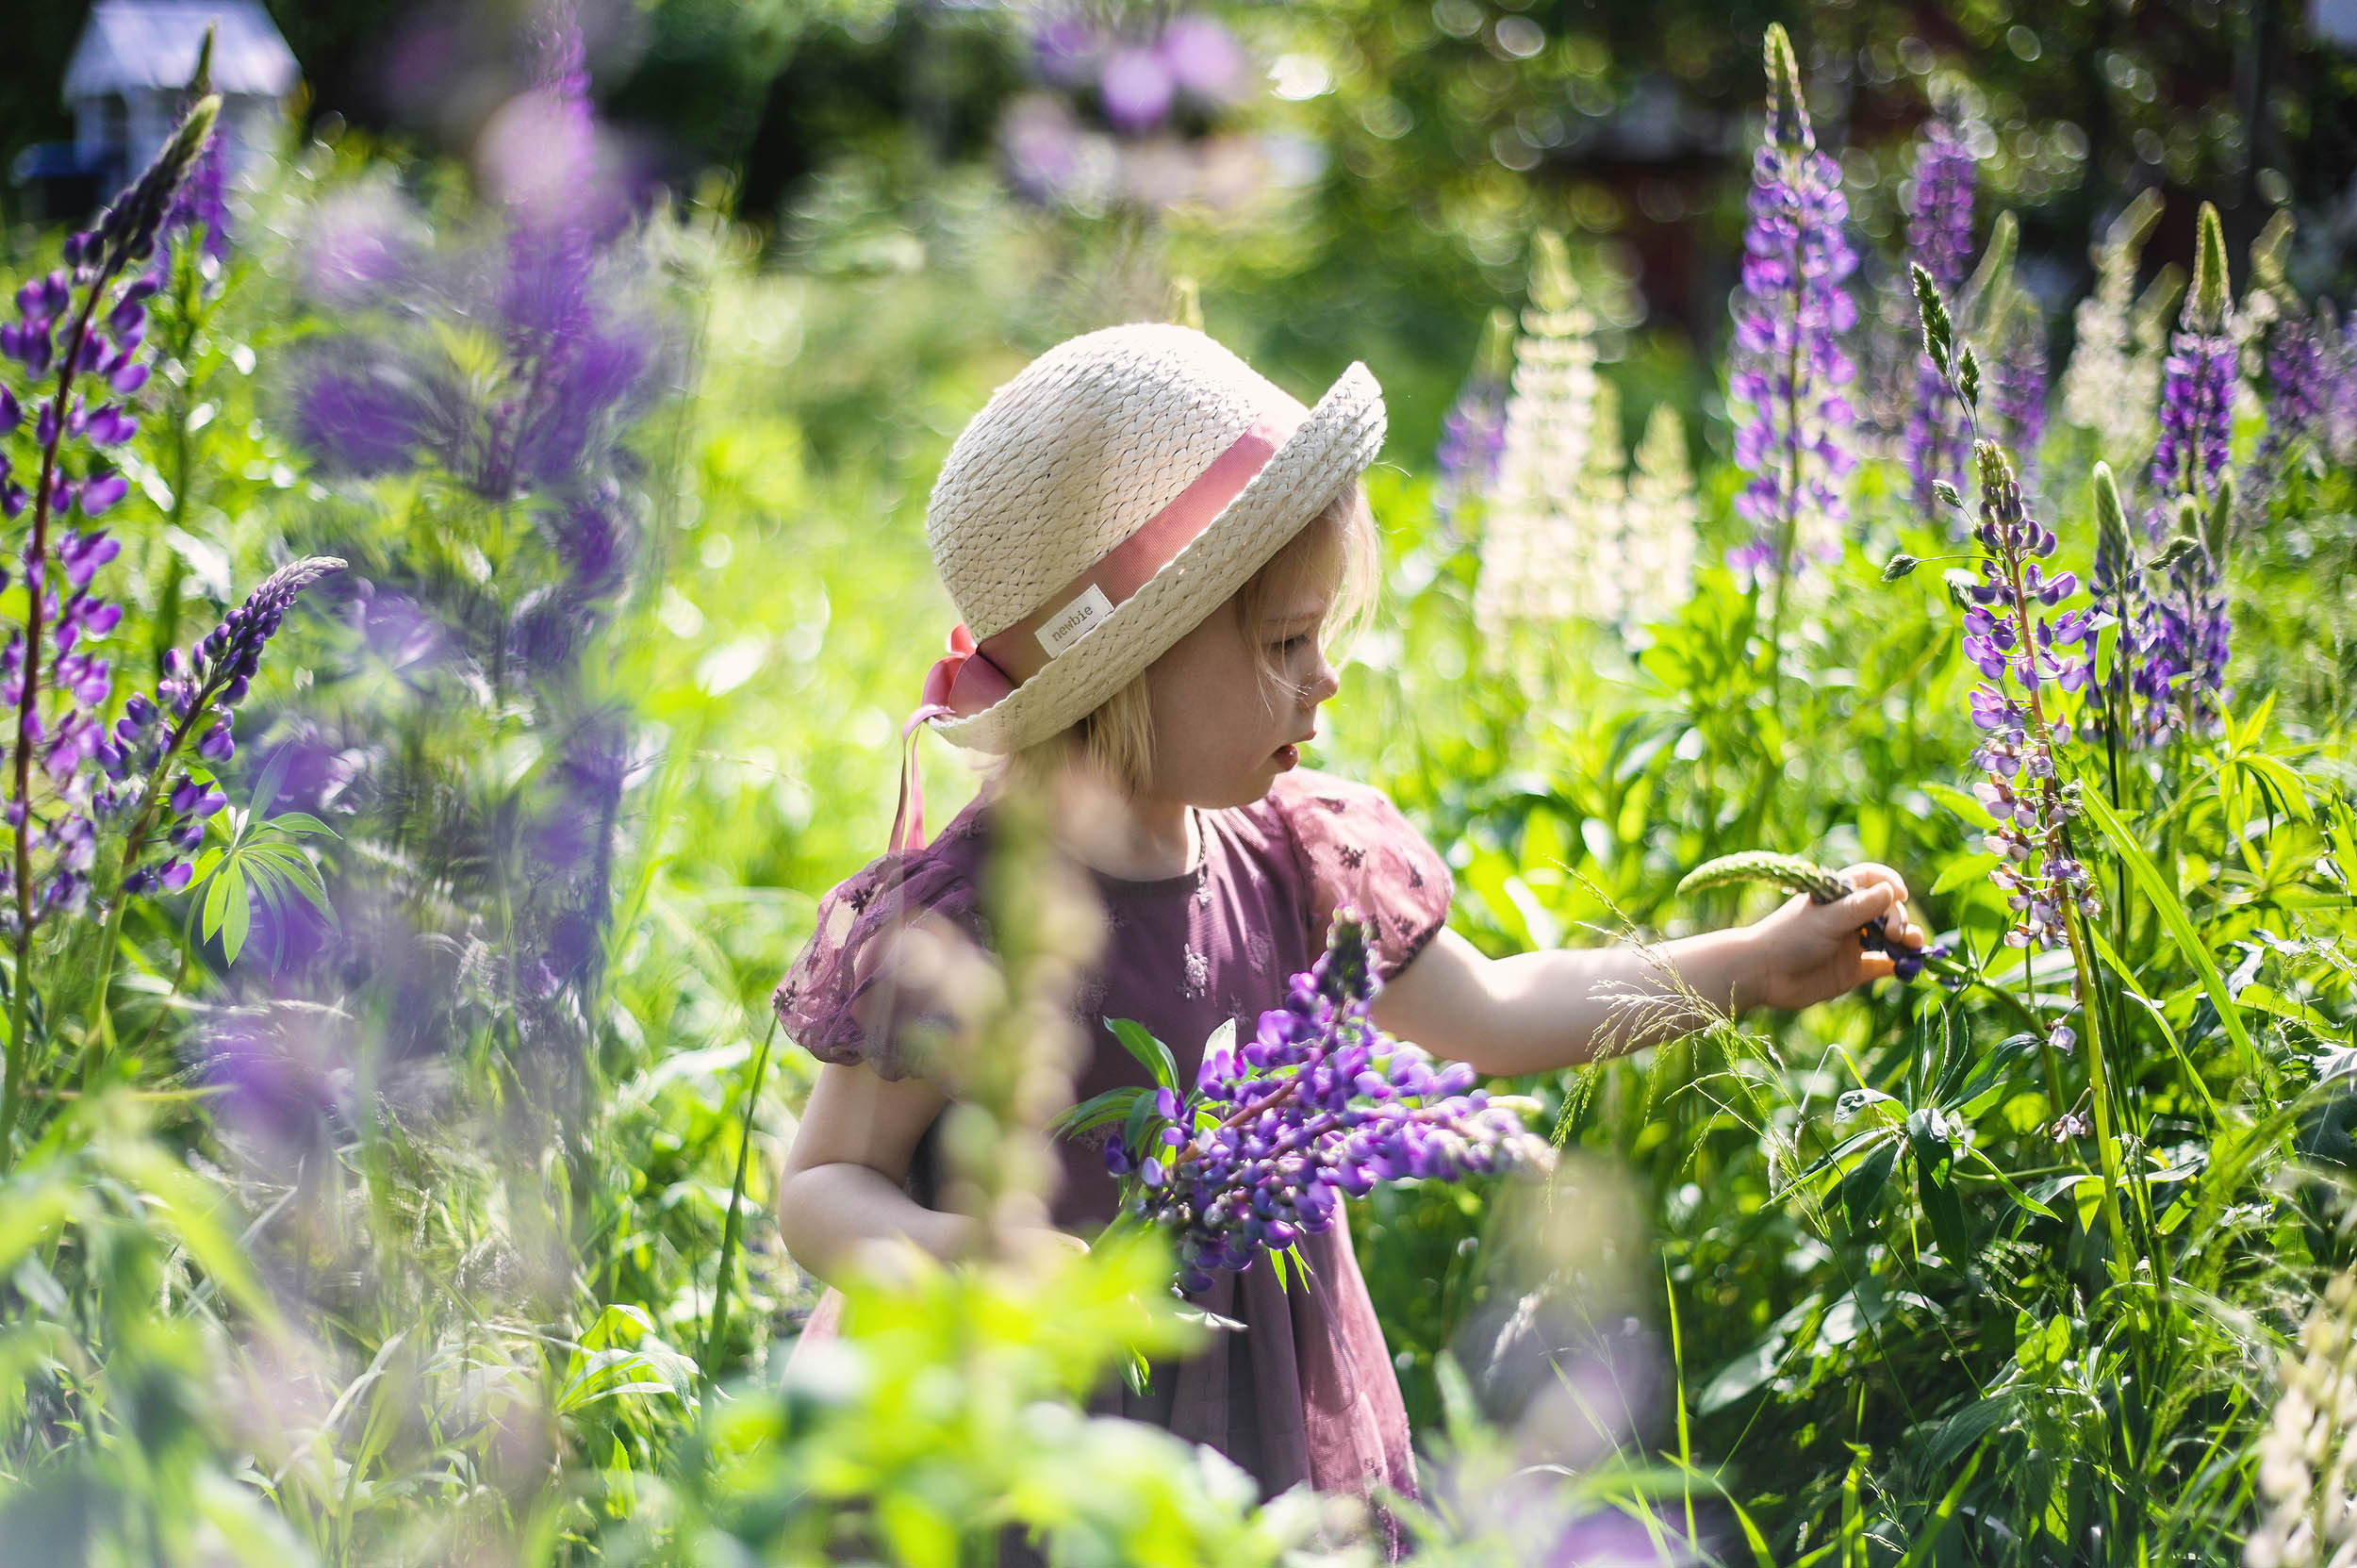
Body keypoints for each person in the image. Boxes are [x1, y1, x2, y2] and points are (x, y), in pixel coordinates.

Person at [771, 322, 1922, 1549]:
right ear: (1127, 666)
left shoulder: (1294, 855)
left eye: (1319, 635)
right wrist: (960, 1256)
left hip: (1267, 1413)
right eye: (1282, 644)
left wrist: (1749, 964)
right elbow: (824, 1187)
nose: (1324, 678)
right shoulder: (968, 926)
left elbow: (1492, 1014)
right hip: (1022, 1436)